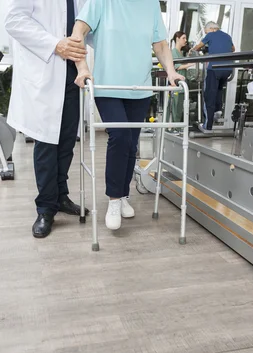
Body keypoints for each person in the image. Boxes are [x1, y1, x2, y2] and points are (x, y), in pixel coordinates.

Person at [71, 0, 185, 231]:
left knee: (132, 144)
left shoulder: (151, 5)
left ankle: (123, 196)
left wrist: (171, 72)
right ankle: (113, 200)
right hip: (108, 87)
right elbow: (77, 33)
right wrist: (83, 68)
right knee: (120, 136)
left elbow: (161, 44)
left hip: (140, 88)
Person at [4, 0, 90, 239]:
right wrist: (55, 44)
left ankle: (61, 197)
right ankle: (45, 209)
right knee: (46, 144)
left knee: (66, 144)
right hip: (46, 69)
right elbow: (14, 21)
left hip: (73, 75)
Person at [191, 21, 235, 130]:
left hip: (215, 69)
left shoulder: (210, 35)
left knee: (209, 95)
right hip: (228, 69)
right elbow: (233, 49)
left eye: (206, 32)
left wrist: (192, 50)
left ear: (211, 29)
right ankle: (218, 111)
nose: (206, 33)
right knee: (219, 90)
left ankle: (208, 125)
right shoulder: (227, 36)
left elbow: (198, 47)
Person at [170, 31, 194, 124]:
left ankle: (177, 125)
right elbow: (177, 66)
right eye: (183, 38)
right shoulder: (173, 52)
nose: (185, 40)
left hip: (183, 81)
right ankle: (174, 126)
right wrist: (190, 64)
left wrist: (188, 57)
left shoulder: (181, 52)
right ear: (177, 39)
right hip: (177, 81)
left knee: (180, 105)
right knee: (175, 105)